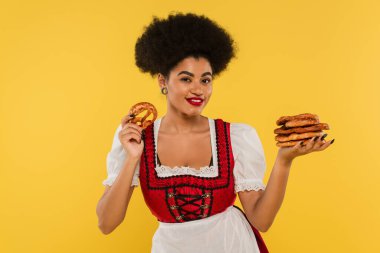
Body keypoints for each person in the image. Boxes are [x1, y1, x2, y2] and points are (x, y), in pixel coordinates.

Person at [96, 12, 334, 253]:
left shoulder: (236, 137)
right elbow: (106, 223)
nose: (198, 90)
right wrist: (132, 157)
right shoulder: (136, 138)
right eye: (186, 79)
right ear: (162, 81)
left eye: (206, 80)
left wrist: (284, 160)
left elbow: (261, 220)